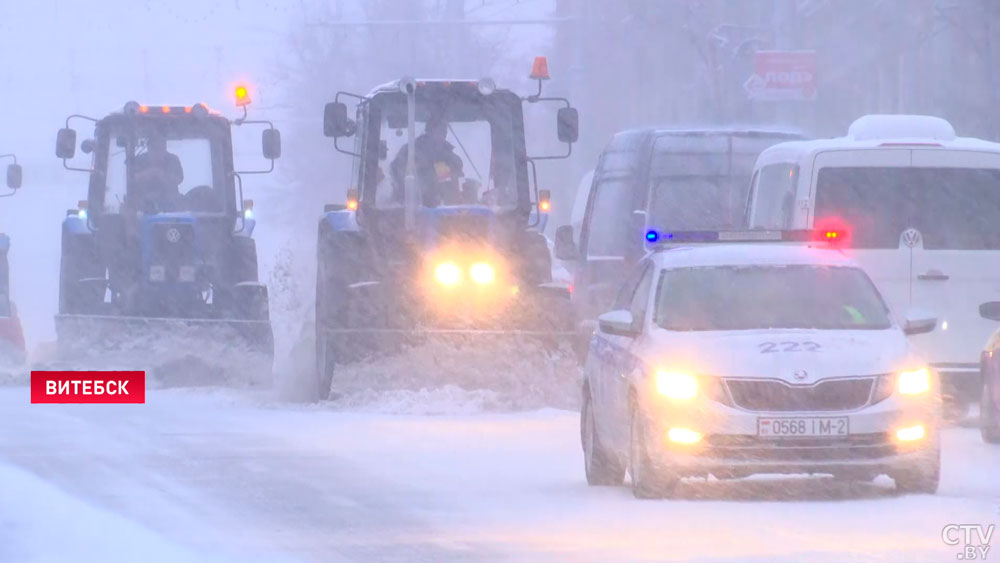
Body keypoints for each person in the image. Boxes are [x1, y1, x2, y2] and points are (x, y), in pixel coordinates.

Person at [389, 116, 464, 207]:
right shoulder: (411, 151)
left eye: (444, 132)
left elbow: (450, 176)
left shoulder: (445, 155)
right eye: (438, 131)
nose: (442, 135)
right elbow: (397, 171)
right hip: (412, 208)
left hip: (442, 208)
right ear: (429, 131)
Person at [132, 131, 184, 212]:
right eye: (154, 148)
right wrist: (147, 174)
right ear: (148, 147)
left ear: (165, 148)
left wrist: (163, 176)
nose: (157, 151)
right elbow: (130, 179)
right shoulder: (139, 160)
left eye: (160, 148)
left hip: (171, 204)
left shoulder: (173, 160)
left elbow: (179, 178)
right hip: (143, 206)